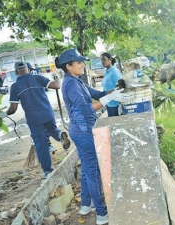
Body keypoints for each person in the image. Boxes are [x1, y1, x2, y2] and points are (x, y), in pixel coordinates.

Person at [55, 49, 130, 225]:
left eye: (82, 62)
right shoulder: (70, 84)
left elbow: (96, 94)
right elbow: (86, 109)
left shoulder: (76, 81)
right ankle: (102, 214)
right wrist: (108, 100)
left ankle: (86, 205)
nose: (82, 65)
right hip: (83, 131)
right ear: (69, 66)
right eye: (78, 62)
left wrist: (116, 90)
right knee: (93, 170)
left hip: (83, 130)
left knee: (88, 170)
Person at [5, 61, 71, 179]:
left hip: (33, 119)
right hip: (47, 113)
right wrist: (58, 77)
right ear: (28, 69)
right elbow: (56, 85)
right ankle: (59, 134)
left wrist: (5, 113)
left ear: (16, 72)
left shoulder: (15, 87)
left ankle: (47, 170)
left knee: (41, 145)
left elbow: (13, 109)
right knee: (51, 130)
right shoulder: (38, 78)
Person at [100, 52, 122, 117]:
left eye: (104, 59)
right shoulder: (107, 72)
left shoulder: (114, 71)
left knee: (115, 122)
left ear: (110, 59)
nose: (102, 61)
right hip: (108, 102)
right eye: (101, 60)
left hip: (115, 103)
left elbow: (120, 86)